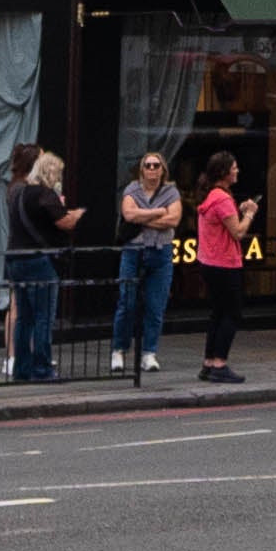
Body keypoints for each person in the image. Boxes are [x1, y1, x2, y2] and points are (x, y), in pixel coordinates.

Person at [3, 146, 71, 383]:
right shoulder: (37, 192)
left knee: (24, 316)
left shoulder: (14, 190)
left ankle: (21, 367)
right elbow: (60, 222)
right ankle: (41, 368)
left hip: (15, 257)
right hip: (37, 258)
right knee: (43, 316)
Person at [113, 150, 182, 383]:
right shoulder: (132, 189)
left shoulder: (171, 191)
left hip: (161, 253)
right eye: (148, 165)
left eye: (156, 165)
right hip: (133, 252)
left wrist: (144, 218)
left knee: (155, 304)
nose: (152, 169)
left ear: (163, 170)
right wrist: (158, 212)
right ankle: (119, 350)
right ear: (141, 169)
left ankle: (149, 353)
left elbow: (173, 220)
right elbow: (128, 214)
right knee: (127, 302)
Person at [186, 153, 253, 385]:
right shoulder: (222, 199)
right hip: (225, 264)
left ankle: (208, 363)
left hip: (208, 262)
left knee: (217, 313)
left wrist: (239, 211)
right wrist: (250, 213)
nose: (237, 171)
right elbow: (238, 232)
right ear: (224, 172)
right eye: (234, 168)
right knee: (232, 314)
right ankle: (220, 363)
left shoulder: (211, 195)